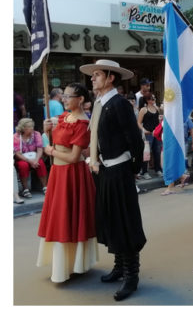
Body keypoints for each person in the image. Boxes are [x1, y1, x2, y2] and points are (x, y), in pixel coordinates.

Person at [81, 59, 146, 301]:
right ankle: (119, 266)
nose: (92, 78)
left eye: (97, 74)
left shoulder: (119, 104)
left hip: (120, 171)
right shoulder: (99, 104)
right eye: (93, 74)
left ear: (110, 78)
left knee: (125, 223)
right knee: (110, 220)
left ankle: (132, 276)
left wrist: (133, 169)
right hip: (104, 171)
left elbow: (135, 141)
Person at [36, 83, 98, 283]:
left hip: (72, 175)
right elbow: (55, 141)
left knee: (69, 218)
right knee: (59, 218)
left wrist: (51, 151)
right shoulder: (63, 117)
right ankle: (63, 264)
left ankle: (75, 265)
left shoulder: (82, 123)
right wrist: (47, 133)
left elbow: (73, 157)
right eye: (63, 95)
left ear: (80, 99)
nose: (64, 98)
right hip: (58, 174)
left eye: (68, 96)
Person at [14, 118, 47, 203]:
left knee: (40, 163)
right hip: (22, 158)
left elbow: (40, 149)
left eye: (32, 126)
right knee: (23, 165)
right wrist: (30, 161)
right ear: (23, 128)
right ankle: (25, 189)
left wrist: (35, 160)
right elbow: (17, 153)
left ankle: (44, 186)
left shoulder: (36, 134)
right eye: (29, 127)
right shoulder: (16, 136)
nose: (32, 128)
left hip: (34, 156)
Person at [136, 94, 162, 179]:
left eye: (154, 98)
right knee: (146, 153)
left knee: (157, 151)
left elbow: (159, 120)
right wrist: (143, 130)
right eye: (152, 98)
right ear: (148, 100)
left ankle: (158, 169)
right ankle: (145, 171)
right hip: (147, 134)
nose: (154, 99)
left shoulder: (157, 108)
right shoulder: (144, 110)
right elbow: (139, 122)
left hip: (156, 133)